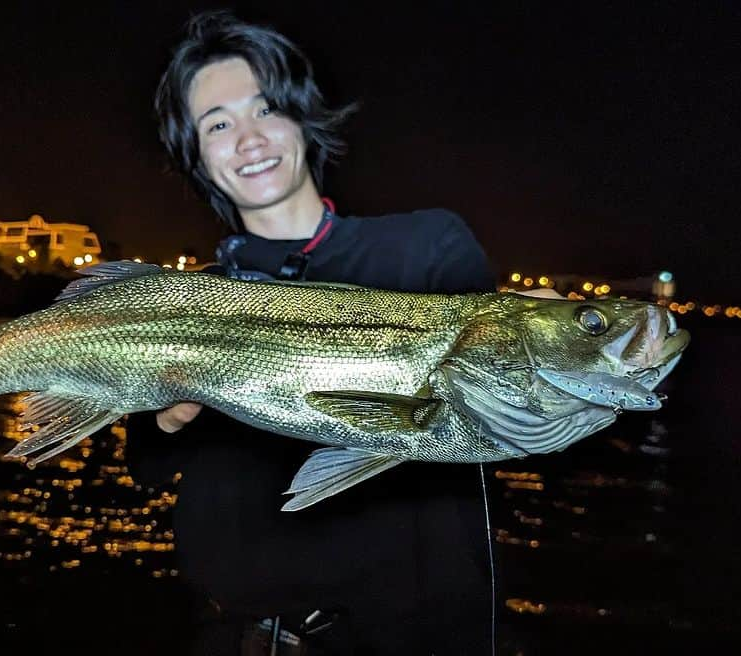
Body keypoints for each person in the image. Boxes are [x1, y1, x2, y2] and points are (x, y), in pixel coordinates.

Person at [128, 11, 499, 654]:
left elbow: (493, 407)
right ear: (197, 156)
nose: (247, 139)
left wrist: (544, 345)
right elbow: (149, 466)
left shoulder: (426, 249)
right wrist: (164, 416)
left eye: (265, 109)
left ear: (303, 116)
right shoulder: (188, 300)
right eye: (217, 125)